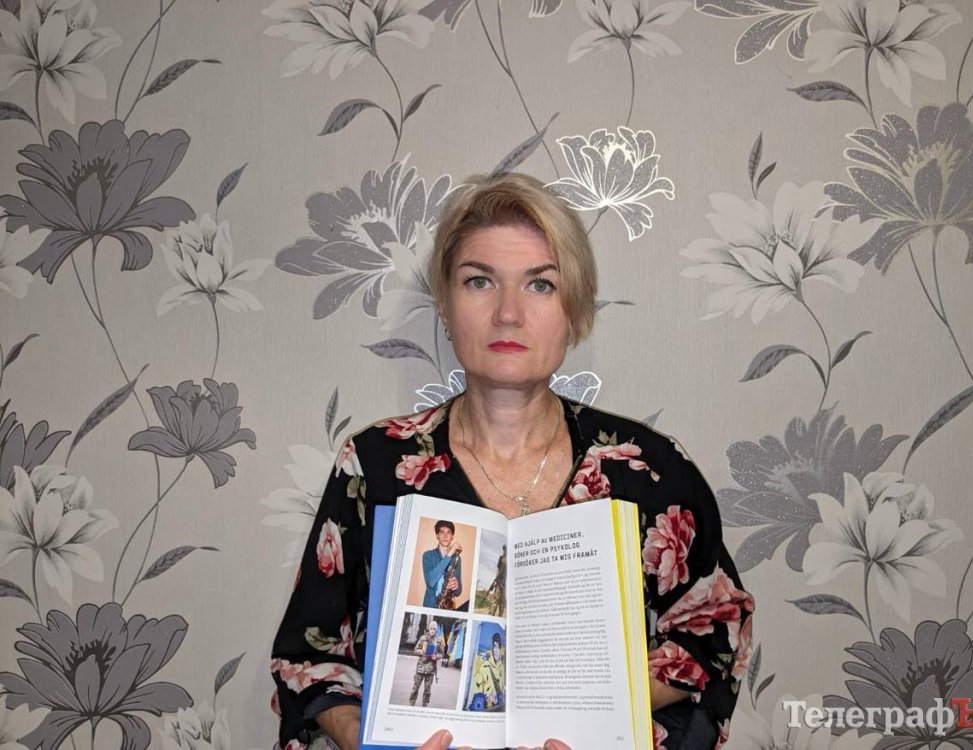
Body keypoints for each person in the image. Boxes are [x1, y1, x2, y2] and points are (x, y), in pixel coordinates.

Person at [271, 172, 754, 750]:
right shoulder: (373, 465)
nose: (508, 313)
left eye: (540, 285)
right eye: (479, 281)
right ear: (445, 307)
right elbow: (309, 659)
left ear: (575, 311)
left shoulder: (647, 469)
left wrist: (594, 715)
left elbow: (715, 633)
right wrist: (365, 739)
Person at [422, 519, 463, 609]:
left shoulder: (457, 558)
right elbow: (430, 582)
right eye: (441, 532)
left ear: (452, 536)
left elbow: (458, 592)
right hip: (430, 607)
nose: (445, 536)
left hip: (447, 607)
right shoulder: (428, 555)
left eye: (448, 532)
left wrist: (456, 586)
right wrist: (449, 554)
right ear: (437, 535)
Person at [410, 620, 446, 707]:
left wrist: (436, 657)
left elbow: (442, 653)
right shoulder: (423, 638)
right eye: (431, 628)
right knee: (415, 688)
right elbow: (415, 650)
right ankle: (411, 703)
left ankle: (424, 705)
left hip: (430, 670)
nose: (432, 630)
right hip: (420, 668)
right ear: (428, 629)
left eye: (434, 629)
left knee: (427, 691)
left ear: (436, 630)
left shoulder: (439, 640)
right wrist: (421, 652)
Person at [469, 632, 505, 711]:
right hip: (485, 706)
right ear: (492, 647)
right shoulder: (485, 665)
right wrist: (487, 695)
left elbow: (501, 685)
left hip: (497, 705)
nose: (496, 650)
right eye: (495, 646)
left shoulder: (501, 667)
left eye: (499, 647)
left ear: (501, 649)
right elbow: (477, 685)